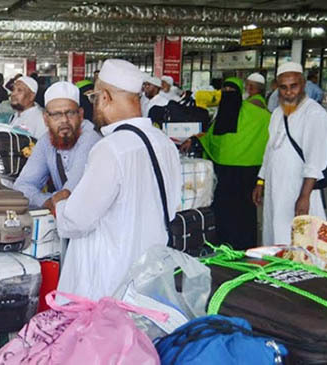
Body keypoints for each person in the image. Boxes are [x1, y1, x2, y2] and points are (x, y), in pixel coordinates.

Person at [54, 59, 181, 300]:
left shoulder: (111, 148)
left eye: (95, 99)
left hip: (109, 283)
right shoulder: (164, 143)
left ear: (105, 97)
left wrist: (59, 206)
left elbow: (77, 220)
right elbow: (173, 208)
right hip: (149, 279)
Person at [182, 77, 270, 249]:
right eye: (225, 91)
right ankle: (223, 245)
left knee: (243, 213)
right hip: (223, 172)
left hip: (247, 173)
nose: (228, 95)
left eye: (232, 92)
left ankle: (244, 247)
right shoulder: (221, 115)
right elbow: (210, 137)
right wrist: (194, 140)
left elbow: (272, 131)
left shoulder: (258, 115)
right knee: (223, 212)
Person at [253, 62, 327, 245]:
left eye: (293, 86)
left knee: (301, 243)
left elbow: (315, 159)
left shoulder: (314, 113)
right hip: (275, 189)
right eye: (283, 87)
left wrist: (304, 196)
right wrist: (261, 181)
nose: (289, 92)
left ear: (302, 84)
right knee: (274, 236)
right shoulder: (277, 113)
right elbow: (269, 151)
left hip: (299, 190)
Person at [13, 81, 101, 209]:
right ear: (45, 119)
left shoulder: (91, 139)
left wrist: (54, 201)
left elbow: (72, 193)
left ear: (80, 115)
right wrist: (48, 201)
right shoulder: (45, 142)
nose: (64, 120)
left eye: (70, 113)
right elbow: (23, 186)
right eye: (56, 114)